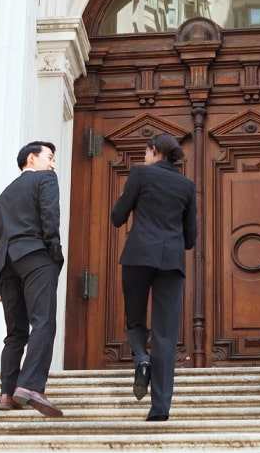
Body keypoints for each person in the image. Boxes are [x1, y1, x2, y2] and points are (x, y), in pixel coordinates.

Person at [111, 133, 197, 422]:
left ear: (154, 151)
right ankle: (160, 408)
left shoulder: (139, 174)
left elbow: (117, 216)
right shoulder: (186, 186)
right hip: (172, 261)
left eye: (146, 151)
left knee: (135, 320)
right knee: (165, 334)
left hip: (138, 257)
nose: (144, 156)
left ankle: (141, 358)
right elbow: (190, 238)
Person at [0, 141, 65, 417]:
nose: (53, 164)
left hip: (6, 264)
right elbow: (49, 215)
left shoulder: (3, 195)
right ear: (32, 158)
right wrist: (55, 253)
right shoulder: (46, 179)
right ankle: (30, 386)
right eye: (50, 157)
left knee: (15, 332)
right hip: (35, 255)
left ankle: (7, 393)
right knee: (43, 322)